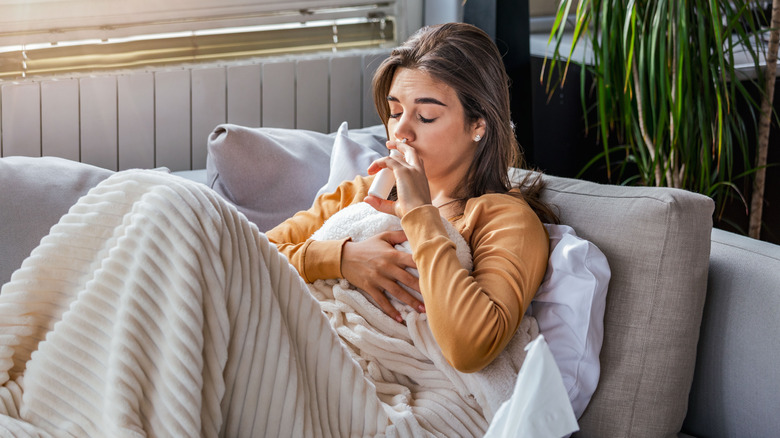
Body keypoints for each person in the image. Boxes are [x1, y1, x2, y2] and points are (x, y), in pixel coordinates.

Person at [267, 21, 557, 374]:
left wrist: (420, 212)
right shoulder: (362, 193)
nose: (400, 131)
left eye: (425, 116)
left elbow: (470, 349)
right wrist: (343, 258)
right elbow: (252, 255)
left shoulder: (504, 219)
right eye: (395, 112)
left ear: (478, 124)